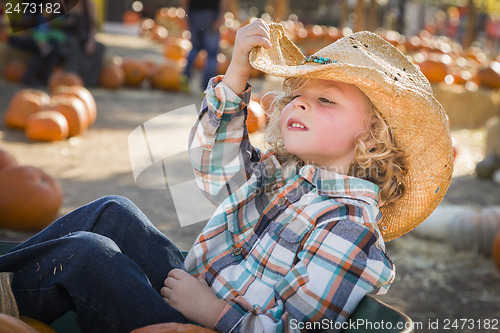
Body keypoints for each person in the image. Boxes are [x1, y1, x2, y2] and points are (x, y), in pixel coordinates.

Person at [0, 19, 454, 332]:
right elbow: (215, 170)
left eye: (326, 100)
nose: (298, 103)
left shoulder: (349, 230)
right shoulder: (287, 176)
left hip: (203, 325)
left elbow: (291, 328)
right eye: (299, 94)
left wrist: (212, 311)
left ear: (371, 135)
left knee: (89, 256)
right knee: (113, 212)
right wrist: (236, 74)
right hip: (193, 295)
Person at [180, 0, 228, 92]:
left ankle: (184, 79)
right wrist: (221, 16)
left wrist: (186, 14)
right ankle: (207, 88)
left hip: (194, 14)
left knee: (194, 48)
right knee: (212, 54)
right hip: (210, 14)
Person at [60, 0, 105, 86]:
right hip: (66, 35)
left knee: (99, 47)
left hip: (83, 35)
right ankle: (72, 78)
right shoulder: (62, 4)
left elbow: (93, 26)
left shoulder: (88, 5)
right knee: (73, 44)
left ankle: (90, 81)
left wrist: (91, 42)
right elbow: (53, 23)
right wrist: (67, 22)